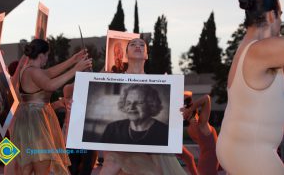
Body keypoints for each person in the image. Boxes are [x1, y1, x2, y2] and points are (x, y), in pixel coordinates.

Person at [216, 0, 284, 175]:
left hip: (240, 148)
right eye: (281, 16)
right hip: (250, 151)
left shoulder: (249, 47)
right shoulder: (261, 49)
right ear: (272, 15)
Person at [99, 38, 187, 175]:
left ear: (146, 55)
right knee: (111, 164)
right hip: (118, 152)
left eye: (142, 45)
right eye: (132, 44)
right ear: (126, 54)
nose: (137, 46)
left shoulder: (159, 81)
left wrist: (177, 105)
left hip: (150, 157)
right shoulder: (110, 77)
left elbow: (175, 117)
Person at [11, 39, 92, 174]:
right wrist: (76, 69)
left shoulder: (30, 70)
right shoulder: (32, 71)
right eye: (47, 55)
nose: (47, 59)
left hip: (31, 121)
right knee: (41, 166)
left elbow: (50, 73)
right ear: (41, 55)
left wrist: (73, 60)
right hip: (36, 124)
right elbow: (51, 85)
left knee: (28, 167)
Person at [101, 84, 168, 145]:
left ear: (151, 105)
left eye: (139, 103)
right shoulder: (112, 128)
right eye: (128, 103)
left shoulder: (165, 132)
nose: (131, 107)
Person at [179, 92, 219, 175]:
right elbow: (206, 98)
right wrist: (189, 110)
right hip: (210, 164)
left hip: (205, 163)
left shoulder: (190, 130)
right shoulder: (202, 123)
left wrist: (188, 111)